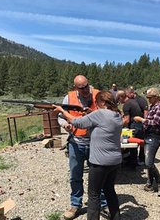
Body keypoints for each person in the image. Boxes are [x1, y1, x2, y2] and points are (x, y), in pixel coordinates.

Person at [54, 91, 122, 220]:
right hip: (115, 161)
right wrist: (91, 114)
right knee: (109, 191)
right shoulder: (117, 115)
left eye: (97, 103)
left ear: (102, 102)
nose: (95, 105)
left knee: (93, 195)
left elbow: (76, 122)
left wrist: (62, 110)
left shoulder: (99, 114)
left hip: (100, 162)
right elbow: (100, 121)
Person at [57, 75, 107, 219]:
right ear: (75, 88)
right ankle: (75, 205)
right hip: (76, 142)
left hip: (96, 143)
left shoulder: (98, 95)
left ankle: (103, 204)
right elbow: (60, 116)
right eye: (81, 88)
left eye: (86, 86)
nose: (85, 90)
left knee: (99, 176)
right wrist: (64, 124)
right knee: (75, 175)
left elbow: (108, 114)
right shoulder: (69, 97)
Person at [133, 88, 160, 196]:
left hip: (154, 136)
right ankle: (150, 183)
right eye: (147, 97)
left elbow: (155, 122)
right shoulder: (153, 106)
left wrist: (142, 120)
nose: (148, 100)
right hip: (148, 135)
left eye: (150, 98)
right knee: (149, 161)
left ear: (156, 97)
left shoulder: (159, 106)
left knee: (149, 162)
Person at [118, 87, 145, 167]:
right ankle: (136, 160)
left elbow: (126, 120)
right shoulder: (132, 101)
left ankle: (133, 163)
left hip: (134, 125)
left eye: (119, 100)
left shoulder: (126, 105)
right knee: (136, 143)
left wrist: (117, 126)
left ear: (121, 97)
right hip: (139, 125)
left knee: (132, 144)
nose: (120, 102)